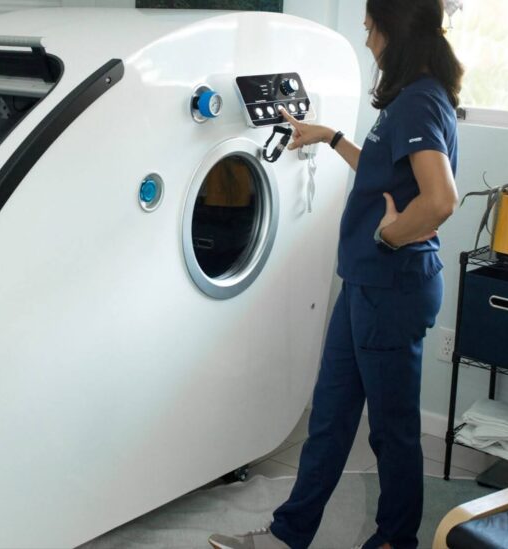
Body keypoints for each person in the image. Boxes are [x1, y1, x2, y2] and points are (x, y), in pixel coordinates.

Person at [209, 1, 463, 548]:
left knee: (391, 431)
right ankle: (288, 535)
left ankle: (395, 540)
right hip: (367, 286)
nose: (368, 41)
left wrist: (389, 237)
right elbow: (384, 176)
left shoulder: (419, 103)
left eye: (371, 29)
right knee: (330, 417)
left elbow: (441, 199)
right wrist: (329, 137)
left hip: (391, 287)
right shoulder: (413, 98)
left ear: (395, 31)